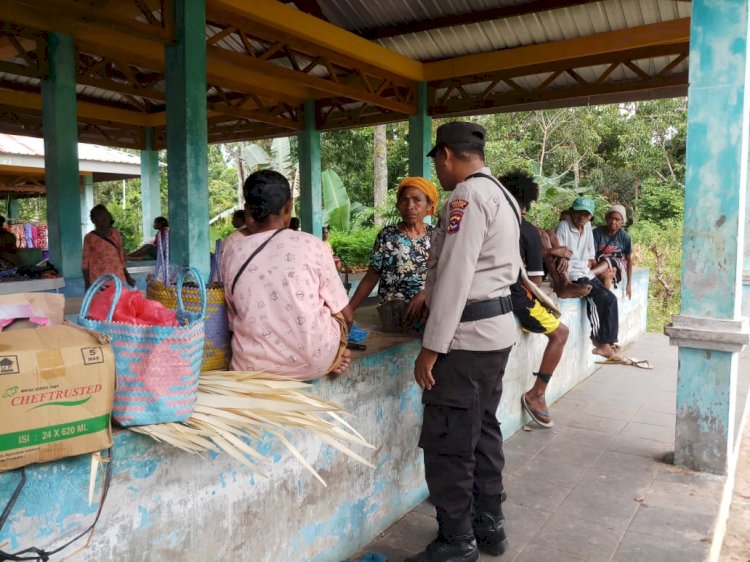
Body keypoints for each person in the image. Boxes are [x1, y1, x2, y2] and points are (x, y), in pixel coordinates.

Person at [407, 122, 521, 562]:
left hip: (466, 342)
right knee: (483, 431)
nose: (437, 170)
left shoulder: (467, 196)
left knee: (449, 442)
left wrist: (431, 348)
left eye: (437, 161)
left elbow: (456, 274)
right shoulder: (503, 194)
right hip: (494, 336)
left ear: (447, 156)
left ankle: (456, 542)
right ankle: (488, 526)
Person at [221, 170, 353, 380]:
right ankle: (334, 355)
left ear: (248, 210)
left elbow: (231, 315)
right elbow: (347, 316)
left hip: (251, 368)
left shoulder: (232, 252)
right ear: (289, 207)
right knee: (334, 305)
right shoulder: (312, 245)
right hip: (315, 363)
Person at [501, 172, 569, 429]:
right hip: (517, 299)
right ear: (527, 204)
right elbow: (536, 281)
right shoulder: (528, 230)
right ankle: (537, 393)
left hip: (487, 298)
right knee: (561, 334)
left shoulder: (486, 221)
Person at [348, 176, 438, 329]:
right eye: (404, 200)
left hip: (430, 314)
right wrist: (348, 312)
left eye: (417, 200)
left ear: (429, 205)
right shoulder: (387, 236)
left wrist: (425, 294)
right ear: (398, 205)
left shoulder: (436, 235)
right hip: (395, 317)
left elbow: (447, 275)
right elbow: (371, 278)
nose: (410, 206)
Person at [555, 197, 619, 358]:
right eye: (579, 212)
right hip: (572, 274)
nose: (582, 217)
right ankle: (599, 342)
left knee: (611, 298)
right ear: (572, 211)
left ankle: (609, 341)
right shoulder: (563, 226)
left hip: (584, 271)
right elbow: (560, 251)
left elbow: (590, 253)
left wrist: (591, 266)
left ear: (590, 217)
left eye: (586, 214)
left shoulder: (588, 226)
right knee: (597, 297)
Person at [82, 204, 135, 289]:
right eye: (99, 217)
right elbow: (85, 264)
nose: (103, 220)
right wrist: (87, 284)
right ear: (93, 220)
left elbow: (121, 258)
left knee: (118, 302)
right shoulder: (89, 238)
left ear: (109, 217)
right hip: (99, 281)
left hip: (117, 280)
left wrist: (128, 277)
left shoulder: (116, 234)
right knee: (102, 302)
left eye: (105, 216)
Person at [592, 204, 633, 298]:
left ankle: (590, 274)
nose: (613, 221)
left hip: (618, 265)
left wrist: (629, 284)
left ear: (622, 222)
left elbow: (629, 260)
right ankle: (606, 293)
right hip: (599, 264)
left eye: (617, 219)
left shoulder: (625, 237)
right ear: (606, 219)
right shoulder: (597, 233)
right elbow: (591, 255)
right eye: (611, 218)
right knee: (605, 276)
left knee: (609, 260)